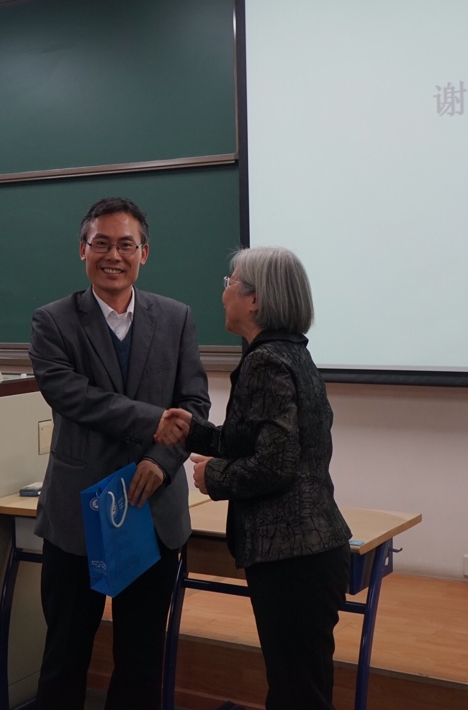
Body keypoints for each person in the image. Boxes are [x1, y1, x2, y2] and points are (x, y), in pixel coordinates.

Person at [29, 196, 210, 710]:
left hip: (153, 513)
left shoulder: (176, 318)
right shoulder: (52, 321)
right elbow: (72, 396)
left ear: (143, 253)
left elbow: (194, 405)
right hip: (78, 516)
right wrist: (152, 421)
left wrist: (161, 460)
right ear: (82, 250)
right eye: (101, 244)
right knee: (65, 657)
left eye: (126, 245)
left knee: (140, 661)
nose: (114, 256)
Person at [157, 246, 351, 710]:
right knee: (299, 687)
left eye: (230, 283)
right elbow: (256, 441)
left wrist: (215, 477)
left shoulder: (265, 362)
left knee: (296, 692)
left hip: (292, 557)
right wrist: (195, 430)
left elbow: (275, 465)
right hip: (308, 551)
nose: (223, 293)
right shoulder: (290, 354)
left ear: (255, 299)